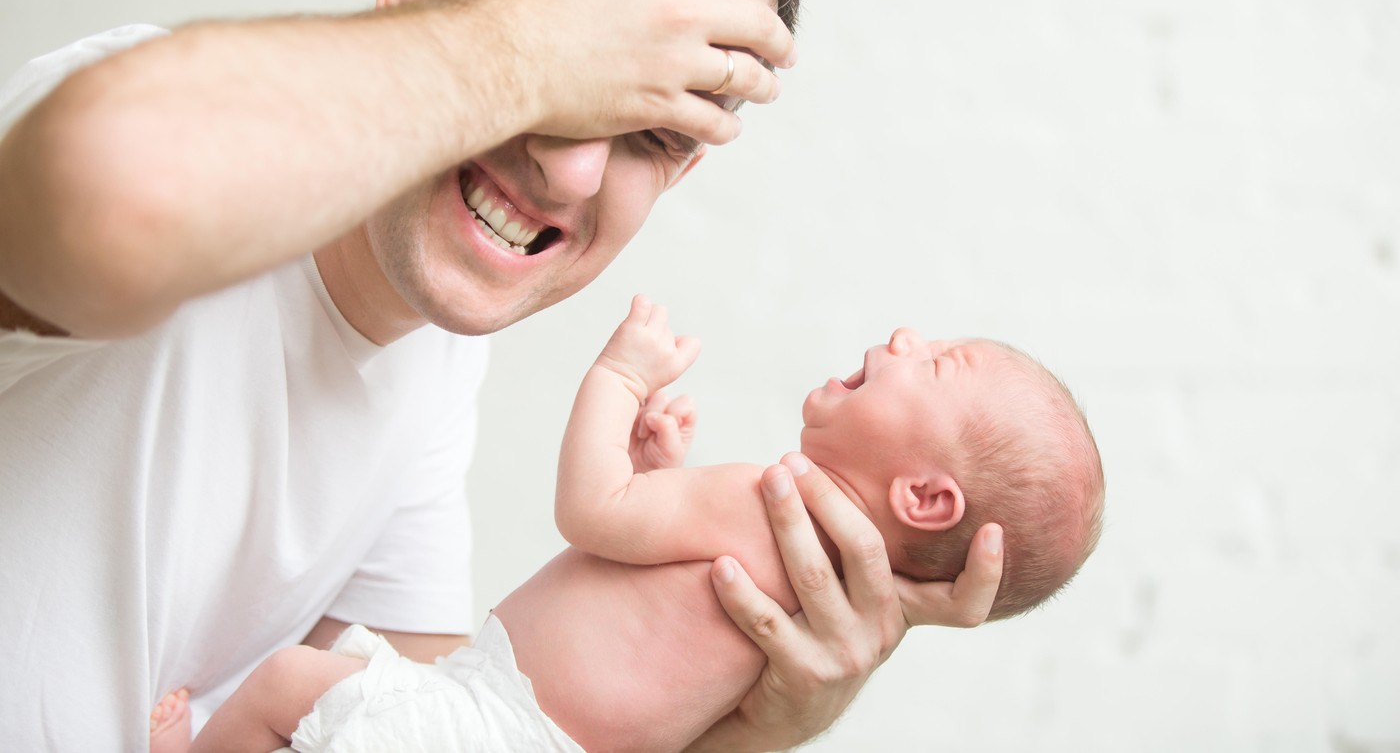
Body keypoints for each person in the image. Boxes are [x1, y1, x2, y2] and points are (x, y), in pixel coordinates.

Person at [0, 0, 1005, 750]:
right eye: (575, 60)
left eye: (646, 127)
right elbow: (110, 193)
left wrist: (743, 726)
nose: (573, 171)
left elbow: (443, 726)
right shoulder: (152, 117)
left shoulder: (433, 364)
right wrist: (516, 46)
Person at [150, 296, 1099, 752]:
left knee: (287, 685)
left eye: (938, 365)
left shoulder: (764, 499)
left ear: (925, 501)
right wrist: (657, 478)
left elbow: (590, 512)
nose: (906, 338)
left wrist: (619, 378)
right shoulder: (802, 605)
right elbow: (654, 631)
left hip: (495, 723)